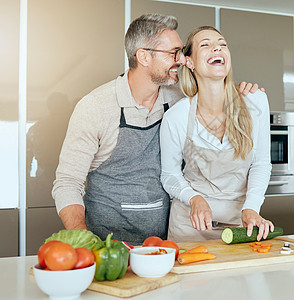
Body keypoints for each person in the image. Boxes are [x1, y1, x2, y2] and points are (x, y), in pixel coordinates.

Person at [52, 14, 260, 244]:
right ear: (143, 57)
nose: (180, 60)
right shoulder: (96, 107)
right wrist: (85, 239)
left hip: (163, 241)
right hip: (107, 242)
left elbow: (212, 89)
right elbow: (67, 183)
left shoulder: (177, 99)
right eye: (173, 53)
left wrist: (242, 93)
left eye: (182, 53)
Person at [160, 26, 273, 243]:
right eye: (206, 45)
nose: (217, 48)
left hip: (241, 223)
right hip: (189, 227)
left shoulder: (254, 101)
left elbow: (261, 163)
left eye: (222, 44)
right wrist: (194, 198)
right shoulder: (177, 116)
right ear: (189, 62)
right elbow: (170, 175)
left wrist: (251, 208)